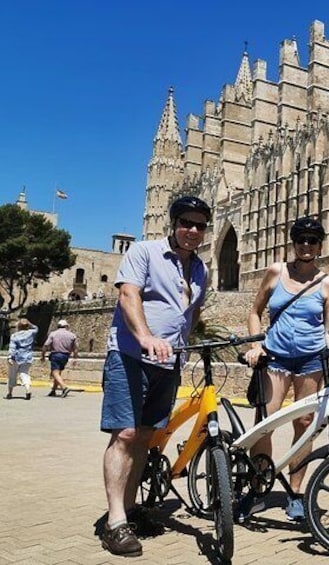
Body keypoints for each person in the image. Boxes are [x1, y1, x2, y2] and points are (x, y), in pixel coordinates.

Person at [99, 196, 210, 557]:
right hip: (130, 355)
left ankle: (130, 511)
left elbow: (192, 312)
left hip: (168, 363)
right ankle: (115, 523)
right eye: (186, 223)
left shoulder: (200, 270)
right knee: (126, 434)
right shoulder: (144, 252)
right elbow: (128, 294)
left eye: (199, 225)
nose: (193, 230)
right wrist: (146, 337)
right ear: (173, 223)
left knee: (146, 437)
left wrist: (184, 341)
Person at [243, 216, 329, 522]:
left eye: (312, 240)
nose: (306, 245)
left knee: (305, 423)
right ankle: (258, 488)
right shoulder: (276, 272)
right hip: (277, 358)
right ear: (293, 243)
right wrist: (256, 346)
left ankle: (295, 494)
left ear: (320, 245)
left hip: (311, 361)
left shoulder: (327, 282)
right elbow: (255, 312)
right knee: (264, 422)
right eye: (301, 240)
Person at [42, 319, 78, 397]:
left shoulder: (53, 334)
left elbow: (46, 345)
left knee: (54, 372)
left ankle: (64, 387)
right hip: (65, 356)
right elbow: (75, 348)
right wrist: (75, 358)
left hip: (56, 354)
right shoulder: (72, 335)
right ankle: (53, 390)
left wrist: (43, 355)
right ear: (66, 326)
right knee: (58, 373)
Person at [6, 318, 38, 400]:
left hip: (16, 357)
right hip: (27, 357)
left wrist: (10, 357)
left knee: (12, 375)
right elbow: (36, 328)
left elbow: (12, 347)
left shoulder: (15, 335)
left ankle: (10, 393)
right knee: (24, 374)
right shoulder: (31, 333)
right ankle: (27, 390)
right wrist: (29, 323)